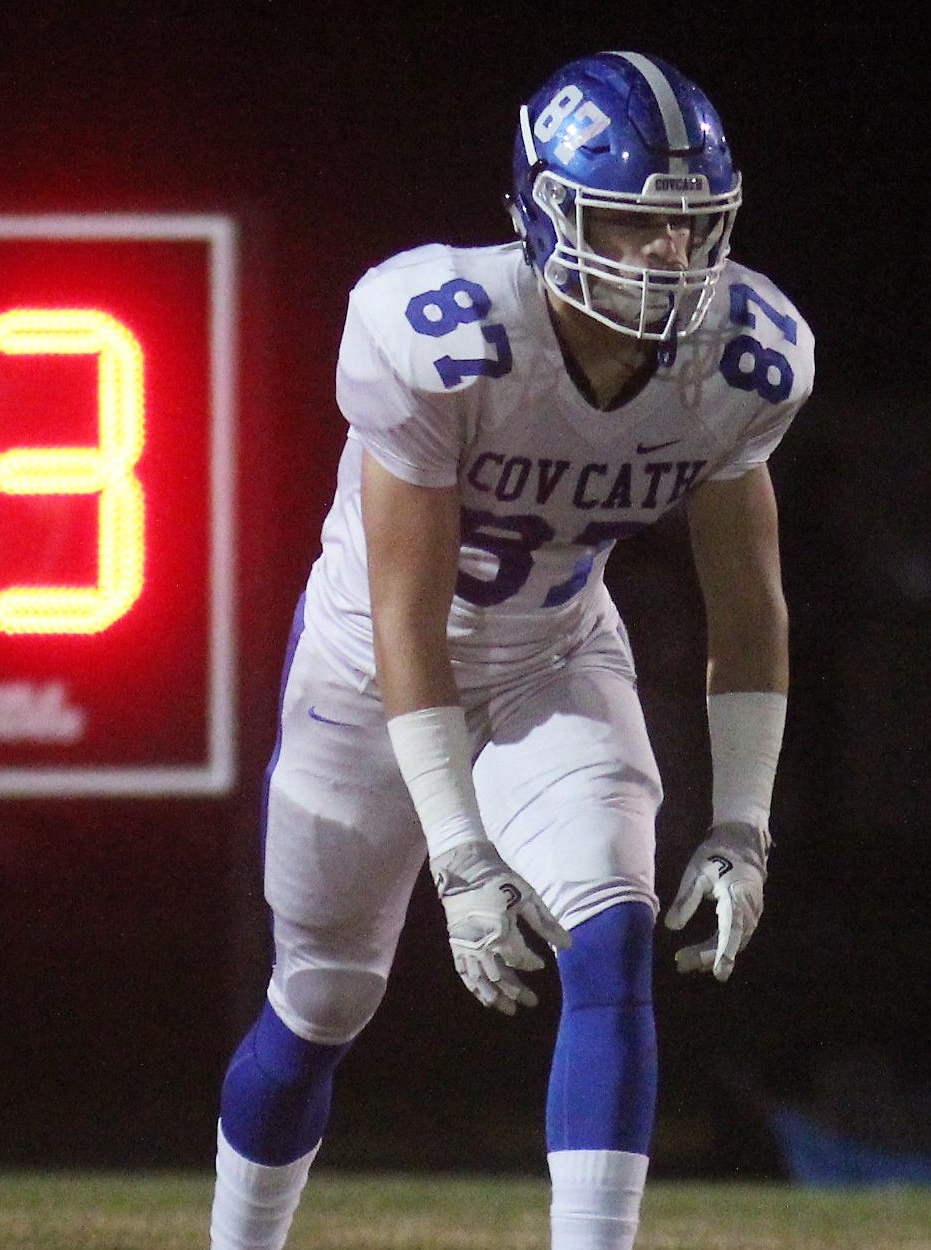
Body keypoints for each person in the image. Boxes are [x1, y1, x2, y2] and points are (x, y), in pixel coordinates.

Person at [207, 50, 812, 1250]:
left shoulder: (741, 355)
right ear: (546, 211)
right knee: (322, 999)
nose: (666, 255)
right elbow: (406, 612)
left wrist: (742, 823)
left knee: (613, 931)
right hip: (370, 674)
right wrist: (459, 855)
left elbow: (748, 604)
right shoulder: (434, 330)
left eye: (688, 225)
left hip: (551, 653)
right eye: (630, 223)